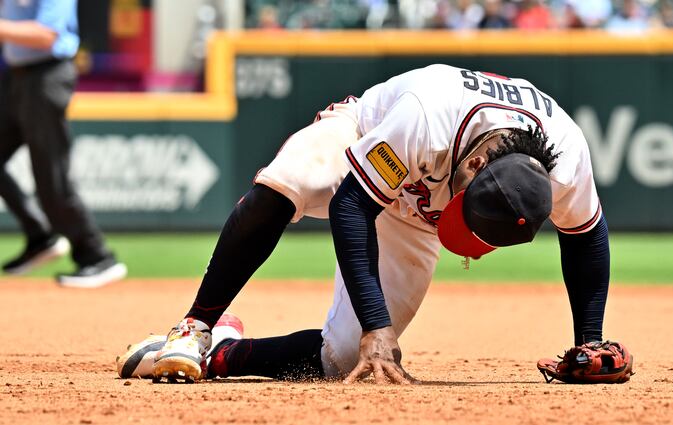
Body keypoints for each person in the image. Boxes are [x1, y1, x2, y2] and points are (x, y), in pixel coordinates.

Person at [120, 64, 632, 384]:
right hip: (362, 139)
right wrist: (378, 326)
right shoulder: (427, 116)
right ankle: (195, 326)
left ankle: (220, 355)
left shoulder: (567, 158)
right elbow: (350, 205)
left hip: (419, 215)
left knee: (343, 361)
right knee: (286, 184)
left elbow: (587, 237)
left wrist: (590, 339)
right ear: (474, 167)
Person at [0, 0, 126, 287]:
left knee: (50, 177)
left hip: (46, 75)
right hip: (14, 78)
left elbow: (47, 34)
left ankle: (97, 256)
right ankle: (40, 236)